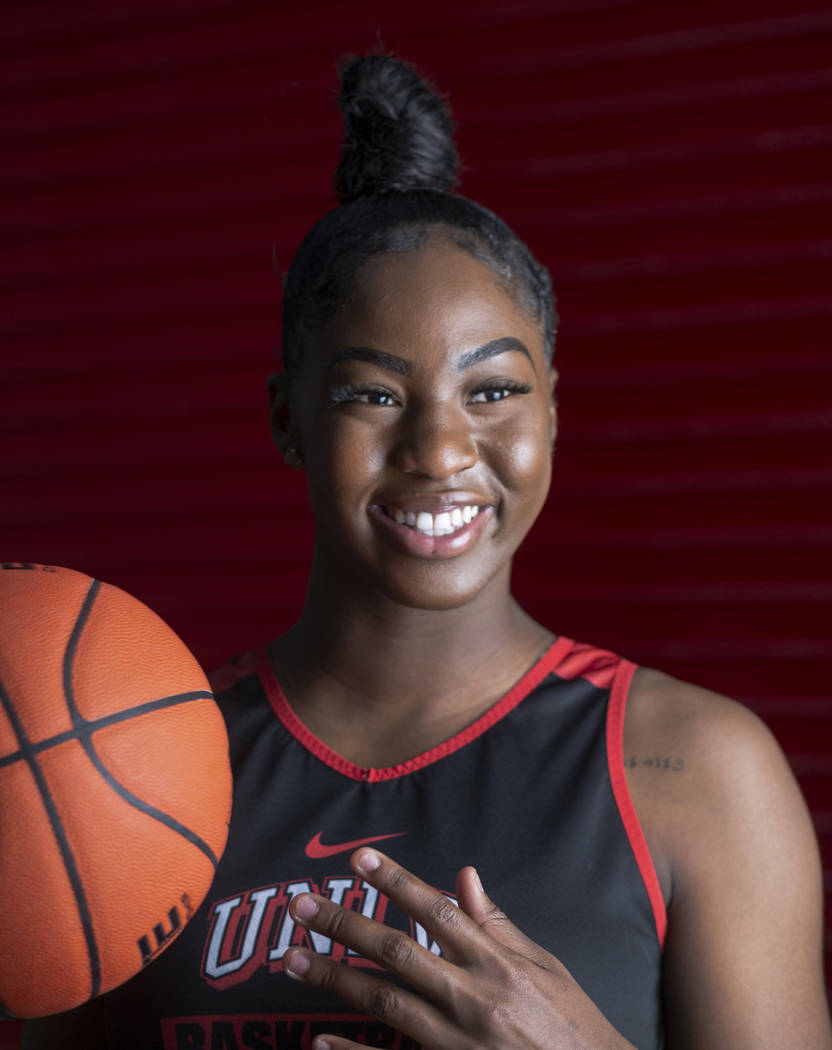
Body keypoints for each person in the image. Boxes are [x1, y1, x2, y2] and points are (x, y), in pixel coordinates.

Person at [24, 53, 831, 1050]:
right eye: (372, 393)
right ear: (287, 420)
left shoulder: (692, 771)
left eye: (492, 391)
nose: (442, 449)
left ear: (551, 411)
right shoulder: (127, 770)